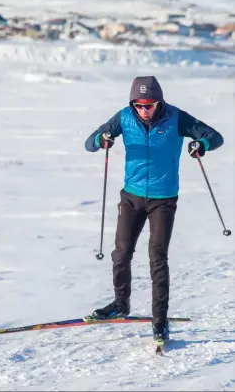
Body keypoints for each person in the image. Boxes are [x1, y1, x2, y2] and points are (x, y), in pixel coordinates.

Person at [84, 76, 224, 340]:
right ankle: (120, 305)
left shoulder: (176, 118)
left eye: (149, 105)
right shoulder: (124, 117)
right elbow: (90, 142)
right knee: (121, 254)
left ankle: (160, 321)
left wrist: (200, 144)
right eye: (139, 105)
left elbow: (215, 136)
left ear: (159, 102)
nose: (144, 110)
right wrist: (101, 139)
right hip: (132, 197)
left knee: (157, 259)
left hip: (163, 199)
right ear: (133, 103)